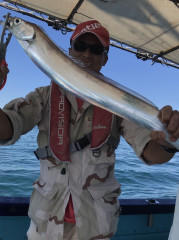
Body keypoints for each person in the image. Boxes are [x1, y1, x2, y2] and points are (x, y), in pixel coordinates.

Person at [0, 20, 179, 240]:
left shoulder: (118, 103)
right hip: (44, 225)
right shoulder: (43, 97)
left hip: (96, 228)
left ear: (105, 58)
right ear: (69, 50)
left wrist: (169, 139)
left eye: (96, 49)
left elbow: (153, 151)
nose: (86, 54)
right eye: (80, 46)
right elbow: (7, 127)